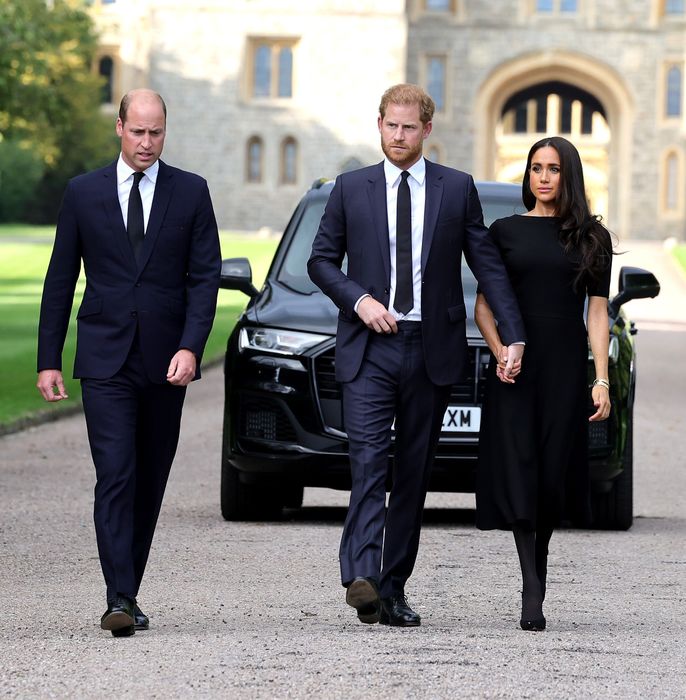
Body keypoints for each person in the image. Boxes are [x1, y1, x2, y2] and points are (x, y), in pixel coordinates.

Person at [307, 83, 526, 627]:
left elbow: (487, 265)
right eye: (390, 126)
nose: (398, 137)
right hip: (370, 347)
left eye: (409, 128)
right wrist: (359, 301)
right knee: (367, 462)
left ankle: (392, 587)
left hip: (432, 350)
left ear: (427, 130)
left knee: (412, 474)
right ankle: (360, 573)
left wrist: (513, 332)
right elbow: (320, 261)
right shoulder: (348, 189)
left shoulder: (456, 190)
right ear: (378, 124)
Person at [36, 89, 221, 637]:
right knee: (115, 473)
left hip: (168, 361)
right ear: (119, 128)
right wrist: (50, 358)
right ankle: (118, 595)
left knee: (150, 479)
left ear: (166, 131)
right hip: (105, 358)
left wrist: (191, 345)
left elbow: (205, 277)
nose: (147, 143)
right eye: (138, 132)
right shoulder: (83, 193)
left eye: (156, 132)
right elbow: (60, 278)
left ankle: (128, 588)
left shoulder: (191, 192)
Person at [474, 135, 613, 632]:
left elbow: (598, 313)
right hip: (518, 368)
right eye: (536, 168)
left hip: (564, 367)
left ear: (568, 174)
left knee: (552, 471)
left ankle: (540, 566)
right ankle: (532, 585)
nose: (544, 177)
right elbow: (485, 305)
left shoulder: (593, 238)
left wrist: (601, 379)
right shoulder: (504, 231)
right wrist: (499, 353)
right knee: (519, 467)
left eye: (553, 168)